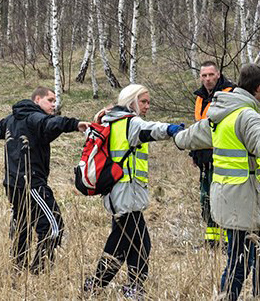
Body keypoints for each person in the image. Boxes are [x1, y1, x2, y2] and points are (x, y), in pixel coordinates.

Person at [83, 84, 184, 298]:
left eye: (148, 102)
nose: (147, 106)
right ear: (131, 102)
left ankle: (98, 285)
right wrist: (172, 129)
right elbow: (151, 129)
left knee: (121, 241)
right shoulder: (131, 122)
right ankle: (132, 287)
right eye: (143, 101)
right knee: (140, 242)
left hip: (116, 192)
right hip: (125, 194)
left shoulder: (112, 120)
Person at [175, 64, 260, 301]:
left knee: (236, 261)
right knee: (242, 262)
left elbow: (185, 139)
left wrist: (174, 134)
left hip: (226, 200)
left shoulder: (219, 114)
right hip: (247, 203)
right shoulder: (248, 116)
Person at [0, 87, 89, 274]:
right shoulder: (34, 117)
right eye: (50, 100)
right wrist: (75, 124)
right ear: (37, 100)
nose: (54, 104)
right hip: (32, 184)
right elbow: (51, 123)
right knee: (54, 227)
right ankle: (39, 270)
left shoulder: (11, 118)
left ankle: (18, 269)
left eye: (55, 101)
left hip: (12, 184)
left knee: (22, 225)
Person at [192, 60, 234, 246]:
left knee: (223, 197)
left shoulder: (229, 93)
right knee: (206, 197)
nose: (207, 79)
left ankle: (228, 240)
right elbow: (198, 127)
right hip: (204, 157)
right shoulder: (200, 97)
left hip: (222, 155)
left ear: (218, 74)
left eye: (211, 75)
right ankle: (212, 240)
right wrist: (195, 153)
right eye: (204, 75)